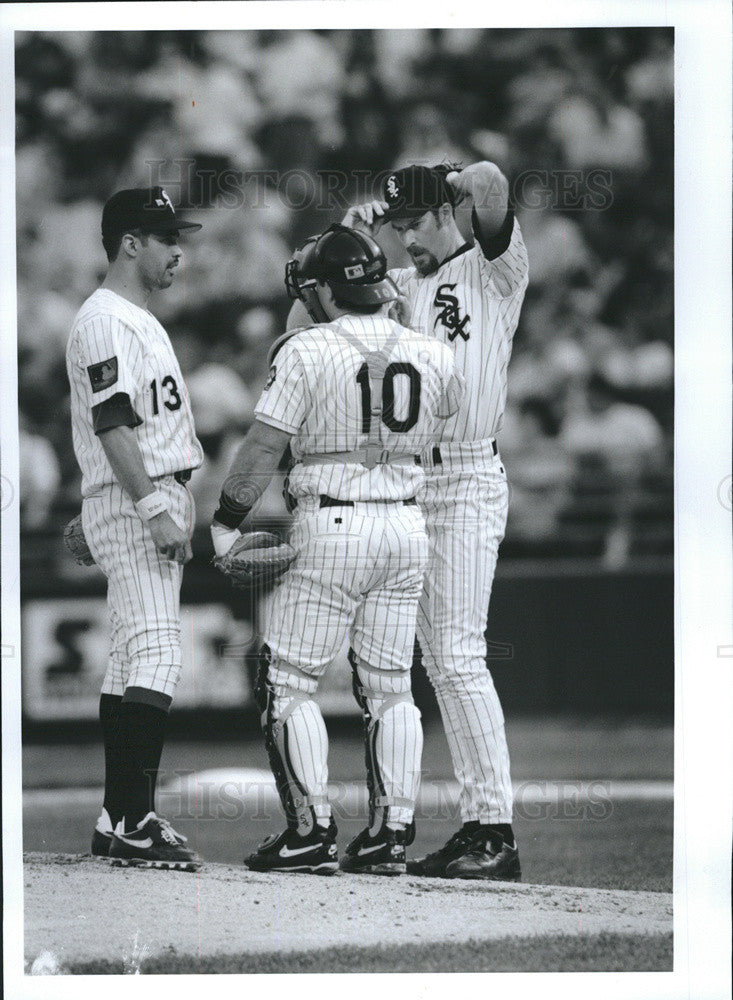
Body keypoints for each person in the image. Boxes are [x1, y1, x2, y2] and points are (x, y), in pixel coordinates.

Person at [210, 225, 463, 875]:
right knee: (389, 690)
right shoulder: (431, 352)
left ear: (324, 289)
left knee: (287, 682)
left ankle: (309, 831)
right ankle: (391, 835)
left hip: (333, 522)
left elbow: (264, 447)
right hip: (407, 524)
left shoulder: (305, 349)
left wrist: (226, 520)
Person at [338, 162, 530, 880]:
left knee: (455, 656)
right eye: (395, 227)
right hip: (408, 478)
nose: (404, 238)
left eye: (414, 222)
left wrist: (449, 177)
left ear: (443, 212)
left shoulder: (493, 268)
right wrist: (359, 238)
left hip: (468, 475)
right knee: (397, 660)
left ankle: (493, 829)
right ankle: (396, 824)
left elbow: (490, 184)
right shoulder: (404, 290)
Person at [65, 187, 204, 870]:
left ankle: (115, 816)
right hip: (141, 498)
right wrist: (150, 506)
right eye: (165, 238)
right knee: (156, 655)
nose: (178, 249)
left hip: (130, 493)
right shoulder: (107, 320)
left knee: (128, 660)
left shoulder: (135, 318)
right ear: (129, 243)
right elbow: (112, 423)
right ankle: (135, 818)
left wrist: (106, 497)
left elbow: (119, 429)